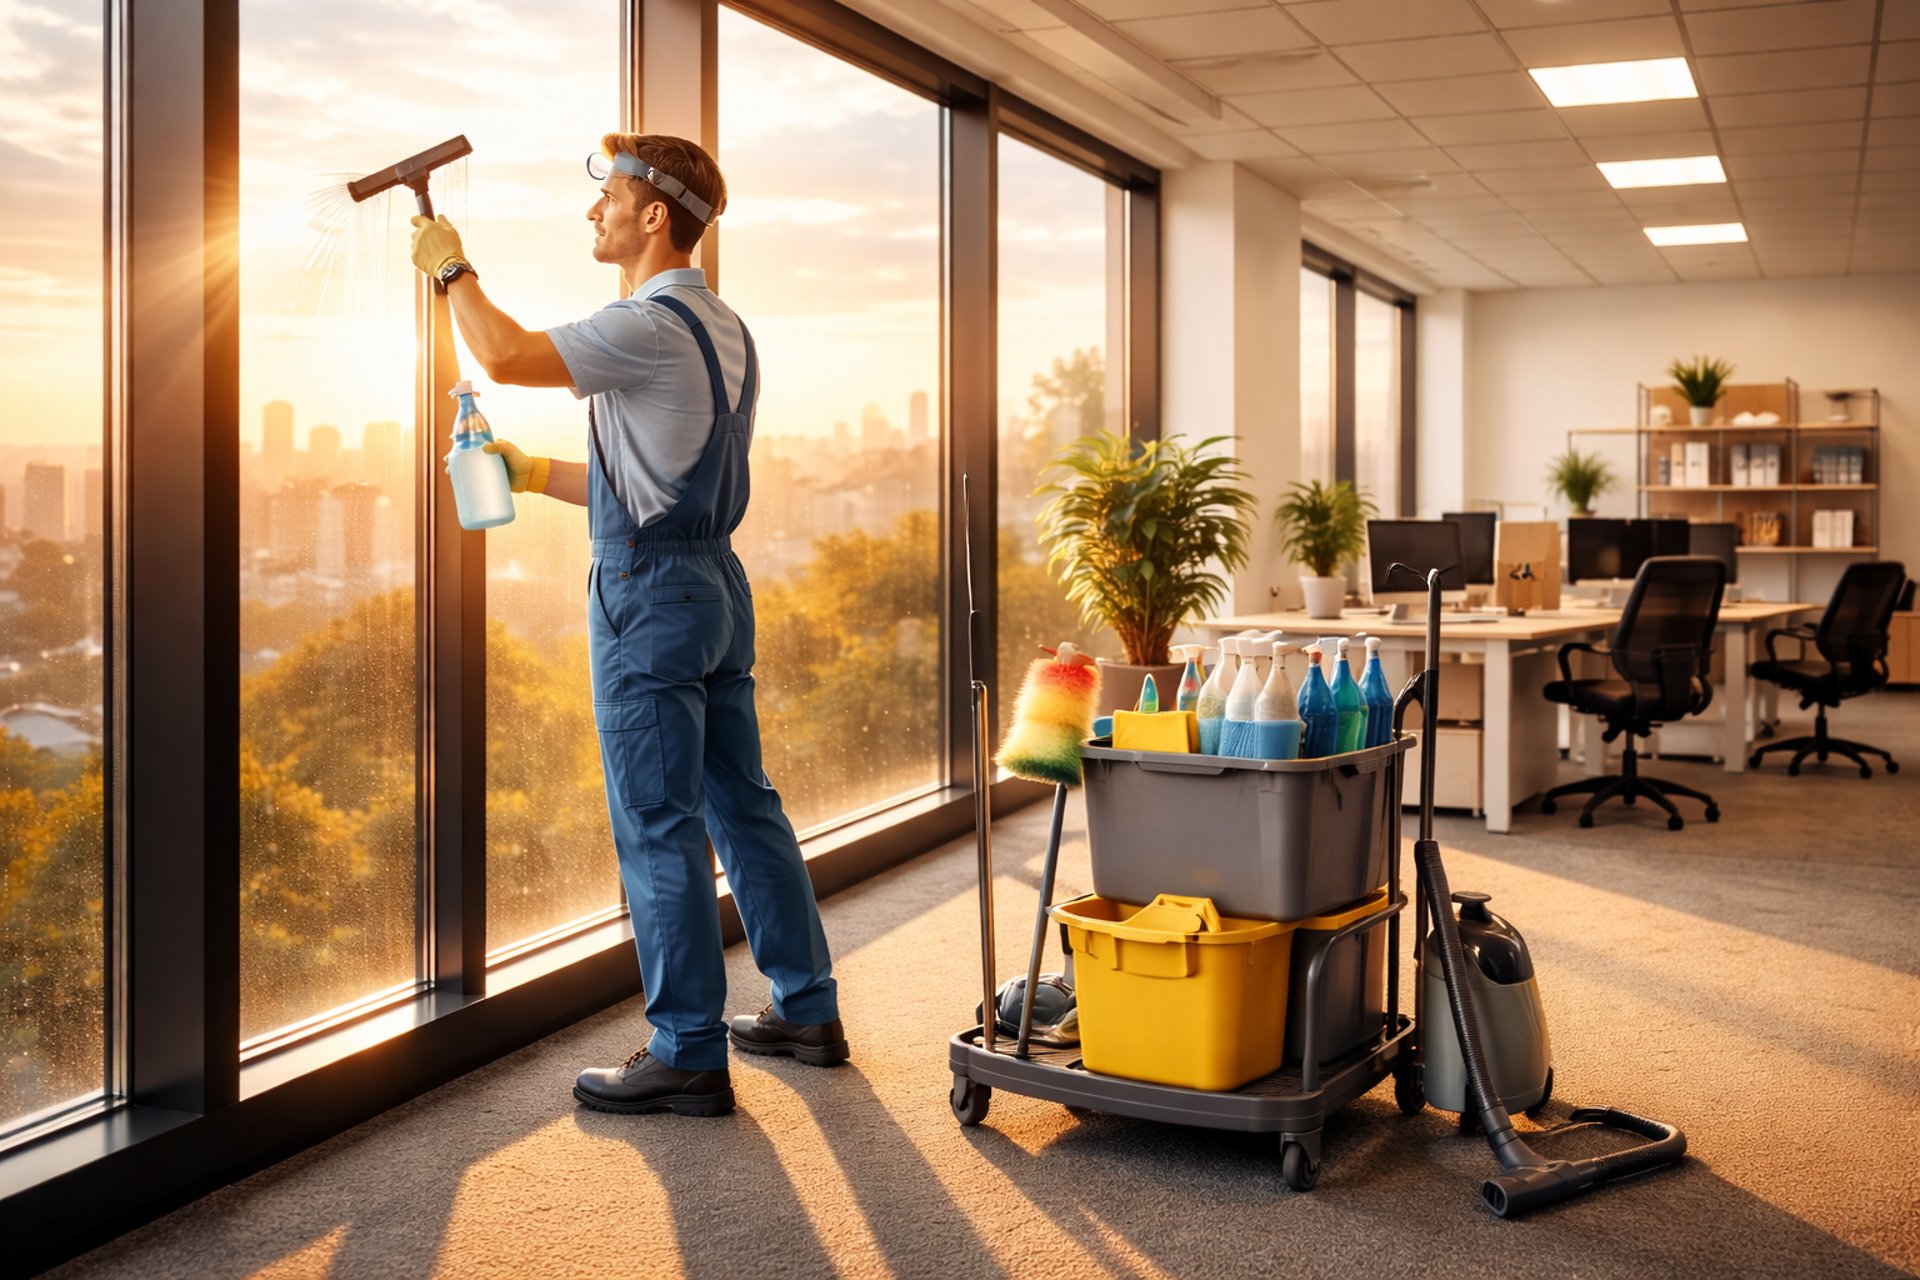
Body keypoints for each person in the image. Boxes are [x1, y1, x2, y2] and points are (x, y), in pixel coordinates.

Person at [409, 133, 846, 1118]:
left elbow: (504, 350)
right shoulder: (725, 329)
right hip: (712, 587)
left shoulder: (642, 322)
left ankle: (688, 1047)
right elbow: (649, 481)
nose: (597, 211)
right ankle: (807, 1008)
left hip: (648, 599)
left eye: (610, 196)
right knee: (745, 804)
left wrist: (451, 266)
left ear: (657, 215)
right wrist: (528, 473)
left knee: (659, 826)